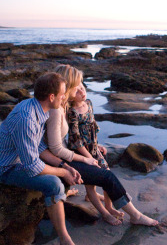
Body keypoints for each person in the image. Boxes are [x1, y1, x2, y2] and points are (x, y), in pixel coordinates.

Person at [0, 72, 90, 245]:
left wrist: (64, 165)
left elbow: (39, 148)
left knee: (59, 174)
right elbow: (33, 166)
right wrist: (62, 172)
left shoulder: (39, 109)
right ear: (52, 97)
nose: (65, 97)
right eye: (63, 94)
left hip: (18, 161)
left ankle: (60, 197)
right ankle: (65, 242)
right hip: (3, 169)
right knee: (54, 183)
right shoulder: (26, 118)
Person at [45, 64, 159, 228]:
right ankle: (134, 215)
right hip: (59, 160)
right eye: (76, 86)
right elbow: (57, 148)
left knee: (103, 165)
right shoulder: (58, 111)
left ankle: (107, 204)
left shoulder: (64, 107)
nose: (81, 90)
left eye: (81, 85)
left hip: (66, 155)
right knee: (107, 177)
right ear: (66, 87)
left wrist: (95, 148)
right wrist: (85, 159)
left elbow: (87, 129)